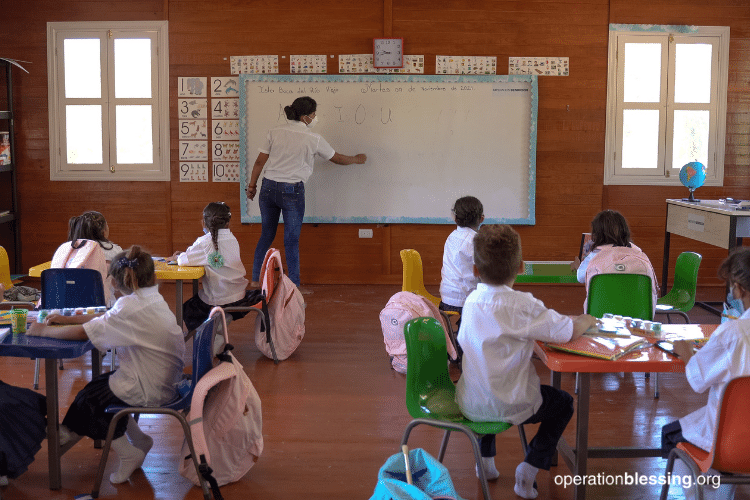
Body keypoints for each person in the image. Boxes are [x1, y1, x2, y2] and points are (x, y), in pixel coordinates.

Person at [455, 224, 596, 499]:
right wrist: (586, 320)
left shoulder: (470, 302)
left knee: (486, 378)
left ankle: (484, 463)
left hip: (471, 403)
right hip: (513, 402)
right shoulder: (523, 304)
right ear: (521, 267)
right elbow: (566, 332)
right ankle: (529, 469)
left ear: (475, 270)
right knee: (563, 403)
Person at [26, 246, 185, 485]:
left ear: (117, 282)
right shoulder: (149, 299)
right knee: (98, 386)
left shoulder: (130, 307)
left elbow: (84, 333)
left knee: (91, 403)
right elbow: (107, 317)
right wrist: (67, 318)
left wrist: (42, 330)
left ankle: (126, 452)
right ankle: (138, 440)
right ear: (151, 277)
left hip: (150, 387)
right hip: (163, 380)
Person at [246, 96, 367, 291]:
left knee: (266, 235)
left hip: (268, 188)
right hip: (291, 191)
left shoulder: (274, 132)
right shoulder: (313, 138)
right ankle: (293, 285)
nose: (315, 117)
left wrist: (252, 187)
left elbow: (260, 162)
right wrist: (356, 159)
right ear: (305, 117)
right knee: (291, 239)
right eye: (313, 114)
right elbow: (336, 158)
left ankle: (254, 280)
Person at [661, 247, 750, 500]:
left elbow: (698, 380)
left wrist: (687, 352)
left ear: (739, 288)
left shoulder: (734, 332)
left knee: (671, 436)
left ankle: (706, 496)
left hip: (731, 443)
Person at [170, 201, 253, 333]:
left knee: (188, 308)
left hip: (220, 297)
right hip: (238, 294)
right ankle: (219, 324)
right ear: (228, 223)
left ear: (204, 222)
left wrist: (177, 257)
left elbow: (183, 261)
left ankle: (211, 334)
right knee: (198, 299)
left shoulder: (204, 242)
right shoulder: (232, 239)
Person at [573, 209, 658, 314]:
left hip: (600, 318)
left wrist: (578, 265)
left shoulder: (595, 254)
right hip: (639, 316)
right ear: (625, 230)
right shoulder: (638, 252)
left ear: (596, 234)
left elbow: (580, 277)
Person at [439, 196, 484, 317]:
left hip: (446, 299)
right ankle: (467, 332)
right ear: (481, 218)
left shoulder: (451, 237)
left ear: (455, 218)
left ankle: (461, 331)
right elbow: (484, 272)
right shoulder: (477, 241)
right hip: (467, 302)